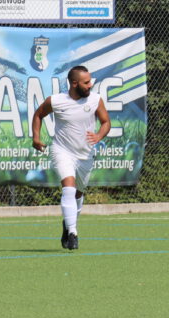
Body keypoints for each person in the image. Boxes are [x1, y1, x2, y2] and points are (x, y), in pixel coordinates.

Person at [31, 65, 111, 250]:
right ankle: (73, 232)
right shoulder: (56, 101)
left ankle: (68, 224)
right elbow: (38, 115)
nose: (90, 85)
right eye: (86, 82)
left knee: (78, 193)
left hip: (85, 155)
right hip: (62, 150)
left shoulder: (95, 100)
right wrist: (36, 138)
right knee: (68, 188)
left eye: (90, 81)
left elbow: (106, 122)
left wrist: (99, 135)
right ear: (74, 83)